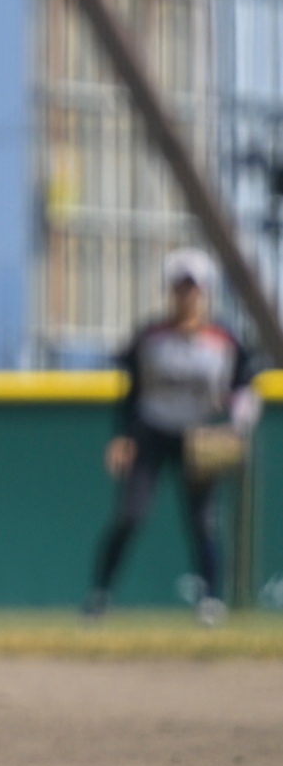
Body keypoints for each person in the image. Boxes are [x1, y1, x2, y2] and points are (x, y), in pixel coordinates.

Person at [88, 248, 260, 627]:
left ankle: (210, 601)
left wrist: (236, 426)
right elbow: (131, 391)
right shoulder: (150, 338)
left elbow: (246, 388)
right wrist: (123, 437)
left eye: (192, 287)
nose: (185, 294)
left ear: (205, 292)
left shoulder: (223, 340)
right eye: (179, 286)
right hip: (152, 431)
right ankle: (99, 597)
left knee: (203, 522)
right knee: (130, 515)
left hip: (199, 436)